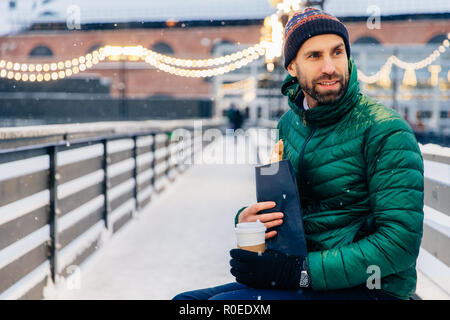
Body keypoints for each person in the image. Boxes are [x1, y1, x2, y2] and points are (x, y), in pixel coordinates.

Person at [173, 7, 424, 300]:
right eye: (314, 56)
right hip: (309, 276)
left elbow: (400, 243)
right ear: (291, 67)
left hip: (372, 289)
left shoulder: (385, 129)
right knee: (187, 303)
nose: (330, 67)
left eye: (337, 52)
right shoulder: (289, 125)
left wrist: (299, 272)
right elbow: (287, 206)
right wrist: (249, 219)